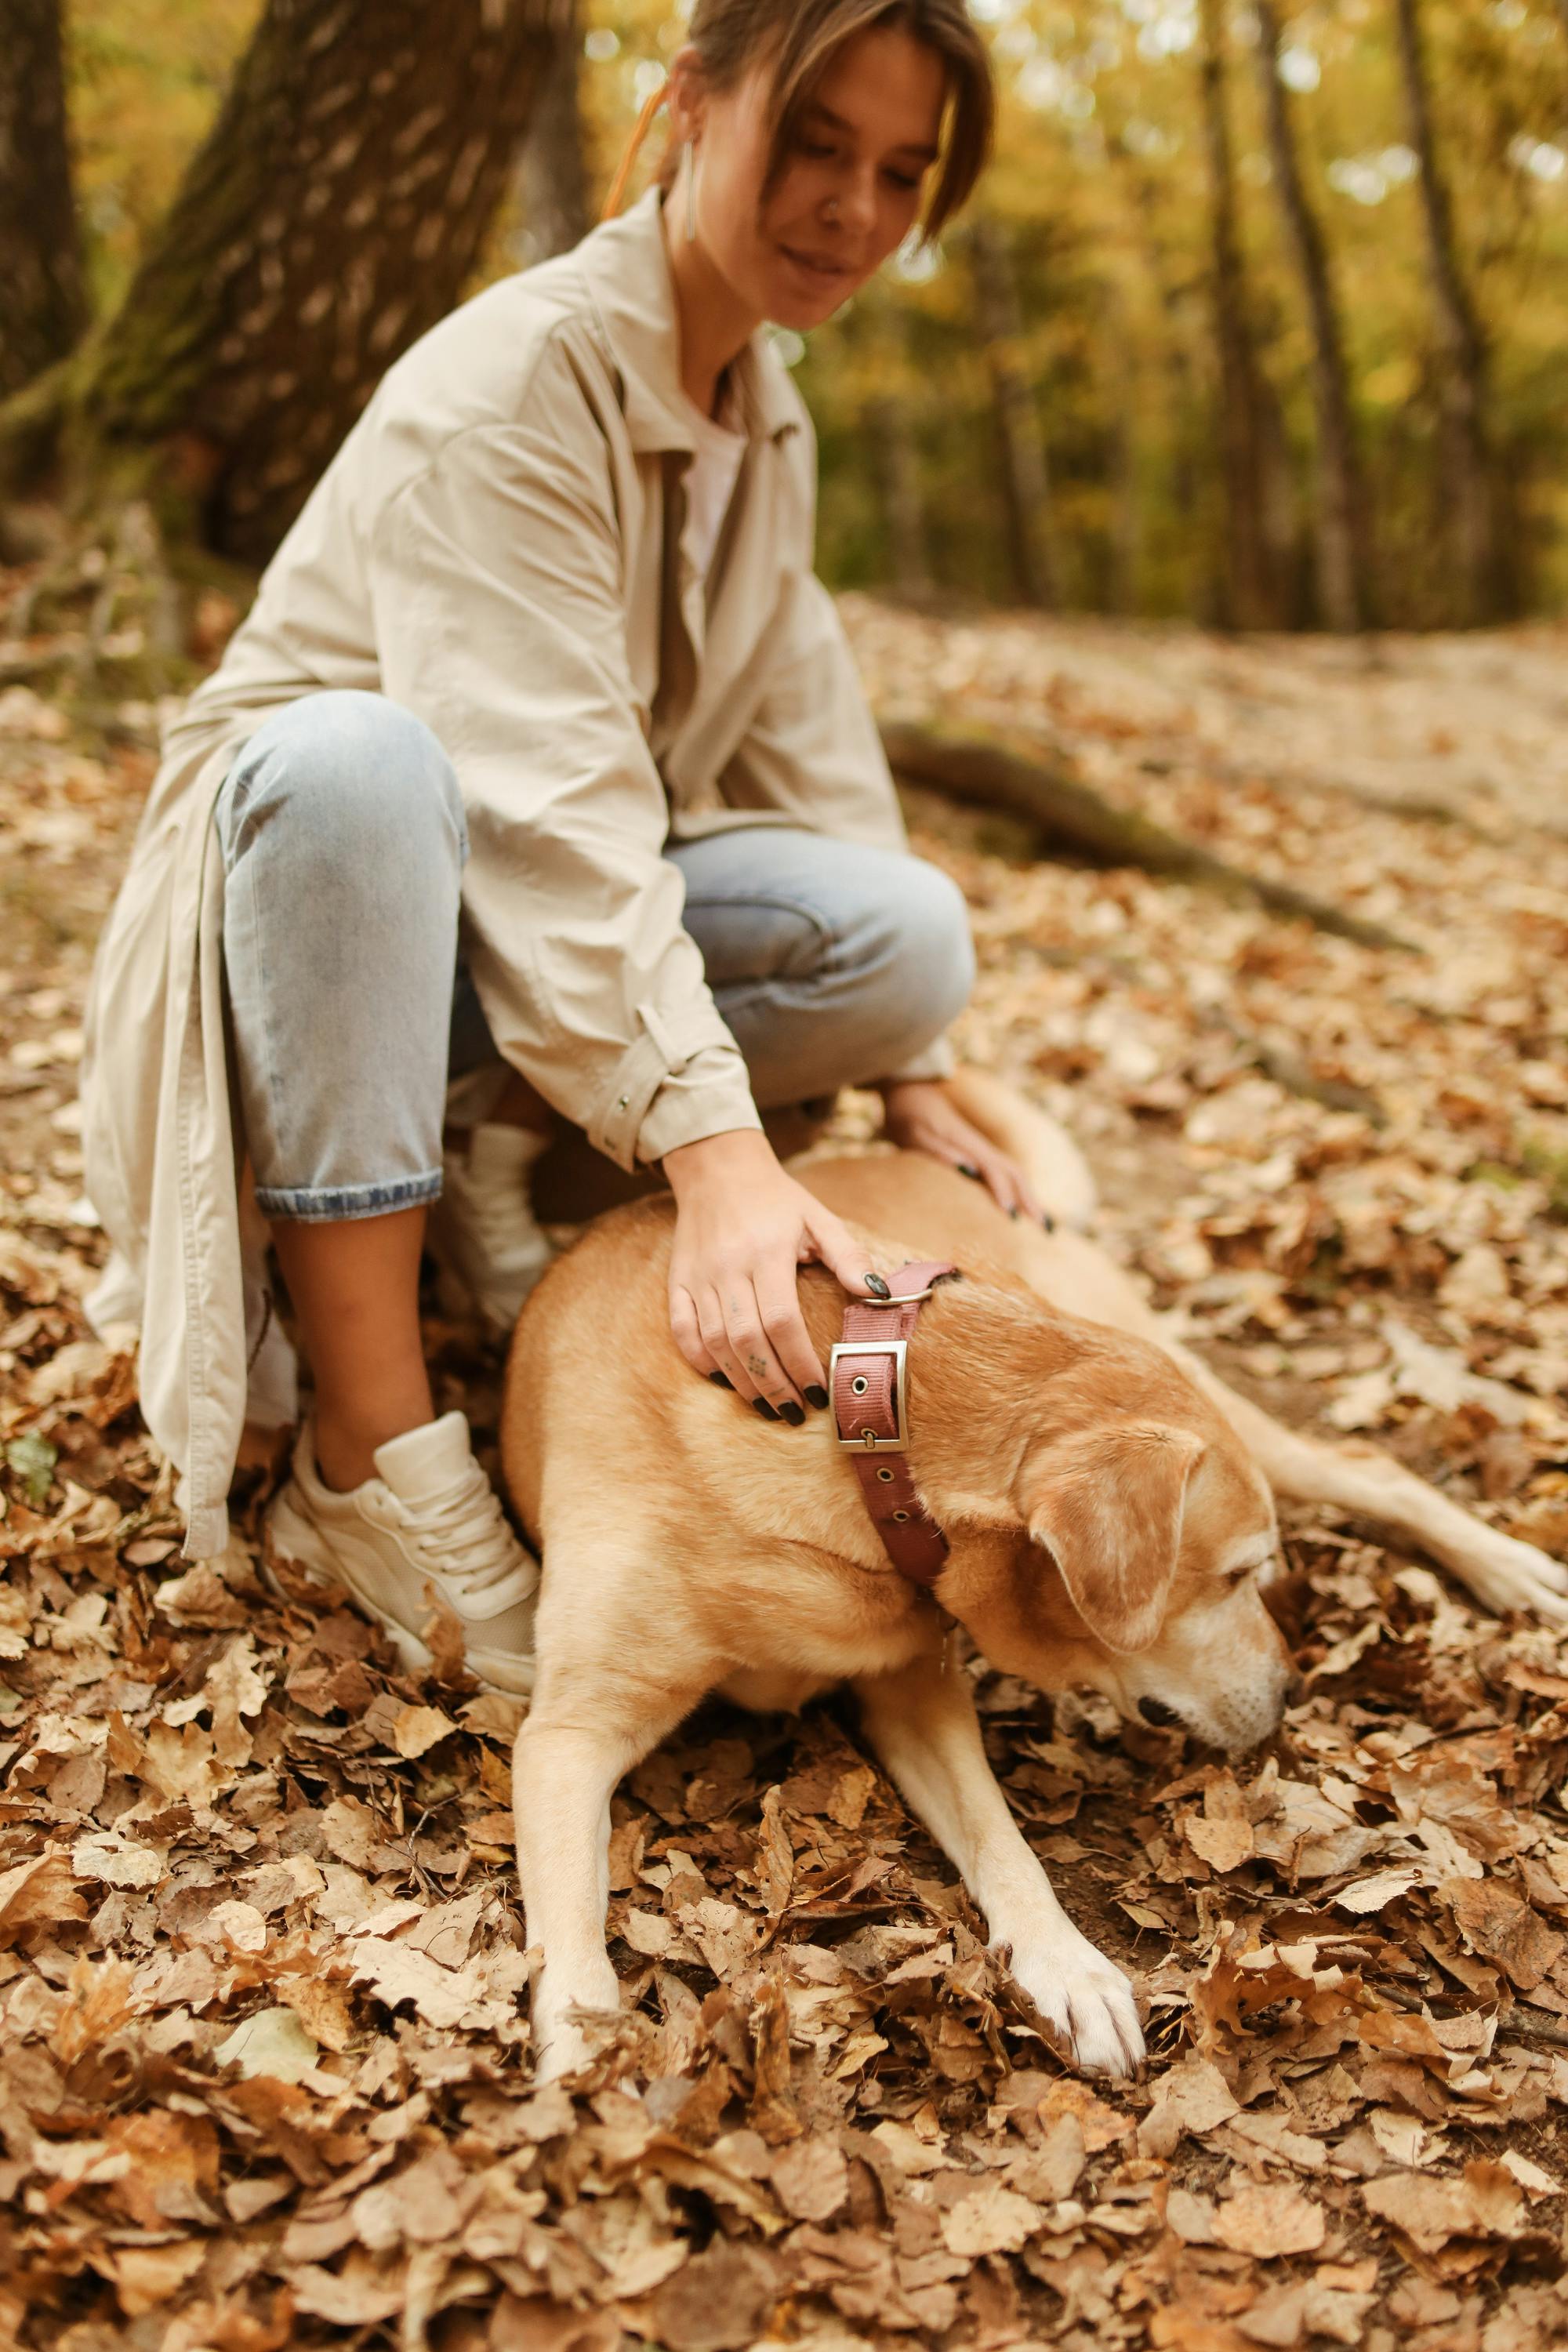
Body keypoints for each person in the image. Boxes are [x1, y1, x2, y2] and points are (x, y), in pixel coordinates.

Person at [79, 0, 1037, 1694]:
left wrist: (917, 1066)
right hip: (290, 930)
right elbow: (543, 802)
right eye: (813, 143)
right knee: (359, 762)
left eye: (899, 172)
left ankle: (478, 1169)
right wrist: (713, 1152)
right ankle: (365, 1456)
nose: (853, 211)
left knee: (904, 940)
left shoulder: (763, 409)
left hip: (479, 944)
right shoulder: (514, 383)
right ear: (687, 103)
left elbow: (807, 742)